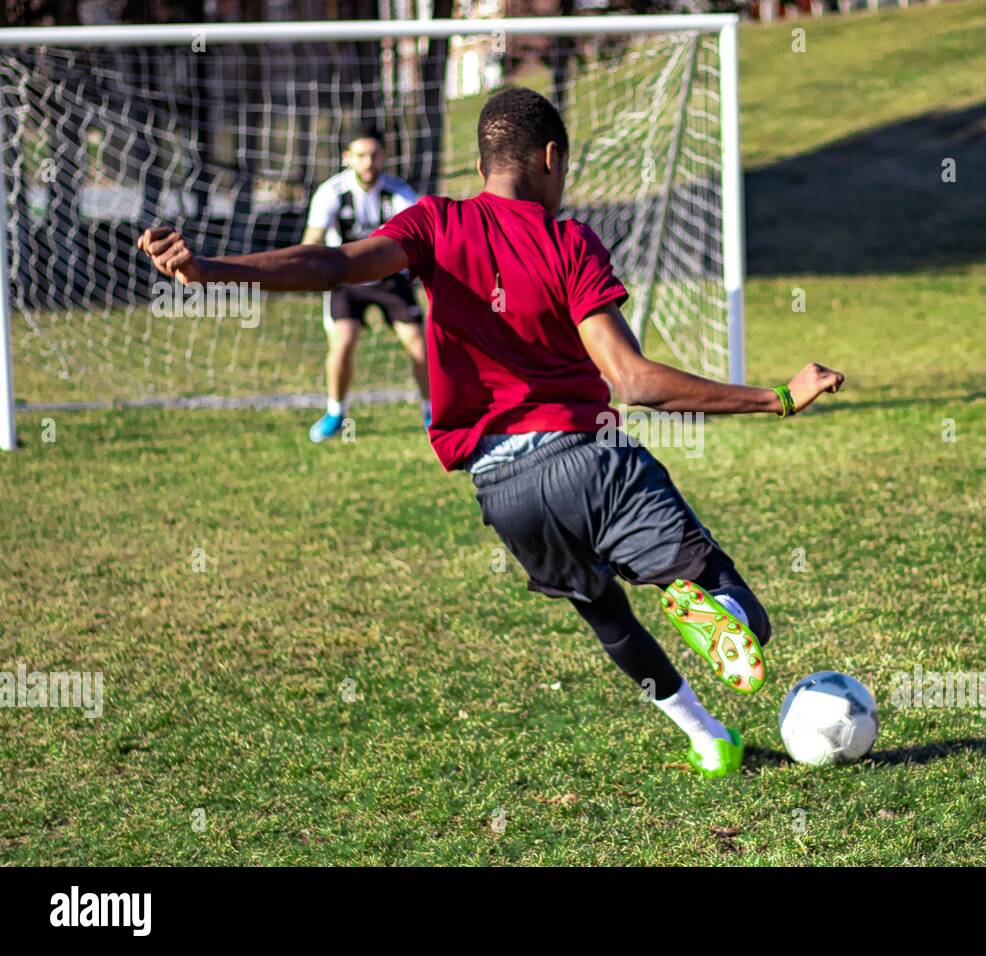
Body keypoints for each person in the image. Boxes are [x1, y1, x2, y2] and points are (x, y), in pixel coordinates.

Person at [136, 88, 844, 778]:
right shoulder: (567, 238)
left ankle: (709, 739)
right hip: (589, 457)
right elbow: (634, 382)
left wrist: (209, 270)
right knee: (741, 609)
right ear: (552, 158)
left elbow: (334, 265)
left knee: (603, 612)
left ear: (480, 168)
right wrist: (775, 397)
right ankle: (713, 608)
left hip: (504, 488)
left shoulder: (432, 223)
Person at [302, 124, 429, 442]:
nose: (368, 162)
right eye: (361, 155)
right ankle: (335, 413)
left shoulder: (399, 194)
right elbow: (312, 241)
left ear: (383, 156)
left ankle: (431, 411)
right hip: (346, 282)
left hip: (390, 281)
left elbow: (422, 241)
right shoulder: (331, 193)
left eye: (374, 155)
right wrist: (302, 266)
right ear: (348, 158)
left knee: (419, 345)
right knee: (342, 344)